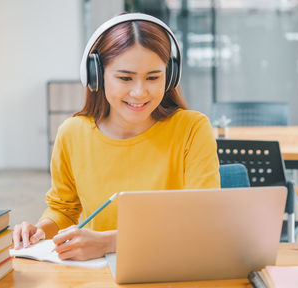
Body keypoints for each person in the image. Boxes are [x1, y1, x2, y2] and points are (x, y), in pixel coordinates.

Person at [13, 13, 220, 261]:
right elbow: (63, 209)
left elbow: (201, 222)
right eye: (125, 78)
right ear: (96, 75)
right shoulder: (72, 133)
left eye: (153, 77)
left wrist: (110, 242)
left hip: (170, 263)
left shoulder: (192, 129)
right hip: (96, 272)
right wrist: (40, 231)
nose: (139, 92)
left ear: (170, 75)